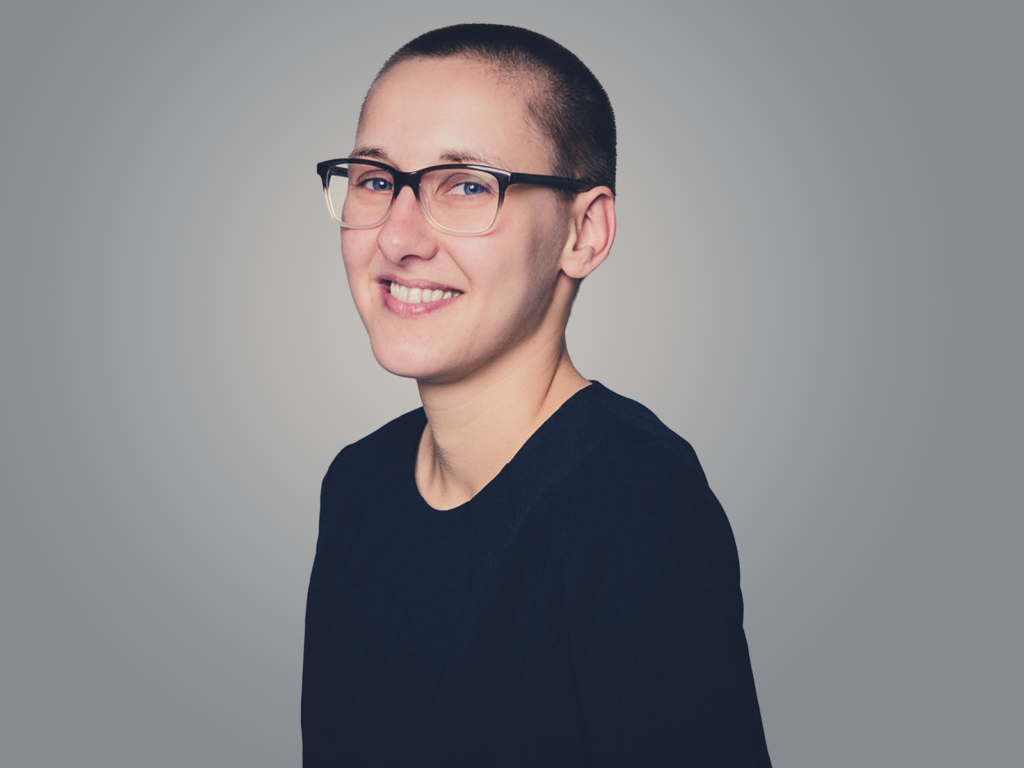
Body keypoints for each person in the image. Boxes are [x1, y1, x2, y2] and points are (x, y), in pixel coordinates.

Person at [303, 23, 772, 767]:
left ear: (584, 232)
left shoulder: (632, 504)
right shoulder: (359, 483)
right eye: (375, 180)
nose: (397, 237)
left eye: (466, 185)